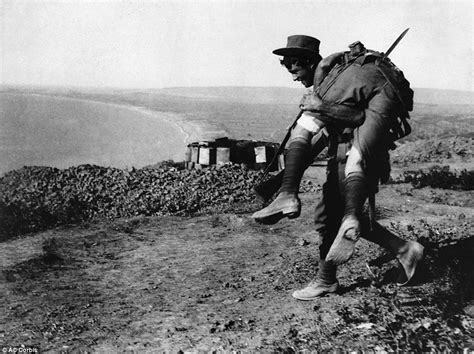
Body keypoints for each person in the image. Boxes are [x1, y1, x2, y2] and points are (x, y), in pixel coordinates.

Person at [252, 35, 424, 300]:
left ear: (309, 63)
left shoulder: (339, 82)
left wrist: (321, 108)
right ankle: (403, 250)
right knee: (335, 217)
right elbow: (325, 133)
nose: (294, 77)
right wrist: (286, 177)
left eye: (295, 69)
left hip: (358, 158)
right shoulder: (330, 83)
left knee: (335, 217)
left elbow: (359, 118)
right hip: (341, 156)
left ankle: (328, 279)